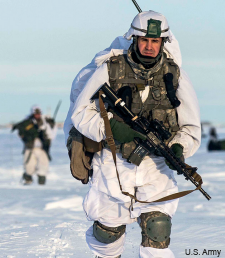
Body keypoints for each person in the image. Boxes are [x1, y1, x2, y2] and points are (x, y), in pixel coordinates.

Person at [64, 11, 201, 258]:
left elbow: (190, 126)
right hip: (112, 164)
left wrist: (179, 149)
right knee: (108, 234)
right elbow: (80, 112)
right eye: (144, 40)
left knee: (157, 229)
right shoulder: (110, 69)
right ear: (134, 39)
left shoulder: (175, 74)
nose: (149, 46)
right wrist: (111, 129)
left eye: (155, 41)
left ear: (163, 42)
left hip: (155, 166)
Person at [13, 106, 57, 185]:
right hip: (30, 148)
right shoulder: (26, 122)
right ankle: (27, 179)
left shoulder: (46, 121)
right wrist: (26, 139)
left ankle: (41, 182)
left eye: (38, 113)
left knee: (43, 164)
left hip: (42, 148)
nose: (37, 115)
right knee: (29, 164)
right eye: (35, 113)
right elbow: (20, 132)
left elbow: (51, 134)